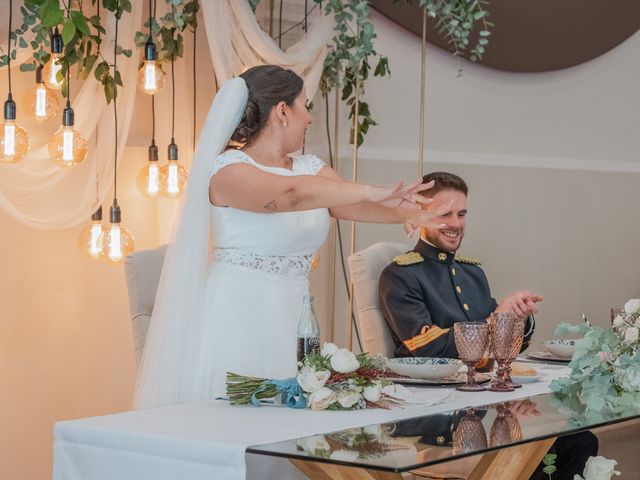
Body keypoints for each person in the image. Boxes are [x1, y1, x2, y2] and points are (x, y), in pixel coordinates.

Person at [134, 65, 450, 409]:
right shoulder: (228, 171)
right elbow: (292, 196)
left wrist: (409, 213)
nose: (310, 117)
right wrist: (375, 190)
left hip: (295, 318)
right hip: (238, 318)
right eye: (305, 104)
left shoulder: (309, 168)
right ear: (282, 111)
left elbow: (349, 204)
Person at [379, 171, 543, 358]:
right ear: (419, 215)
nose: (455, 224)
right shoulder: (399, 276)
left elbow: (501, 349)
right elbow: (428, 348)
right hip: (433, 386)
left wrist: (516, 318)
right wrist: (495, 322)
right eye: (445, 214)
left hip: (481, 382)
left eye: (461, 214)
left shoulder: (473, 273)